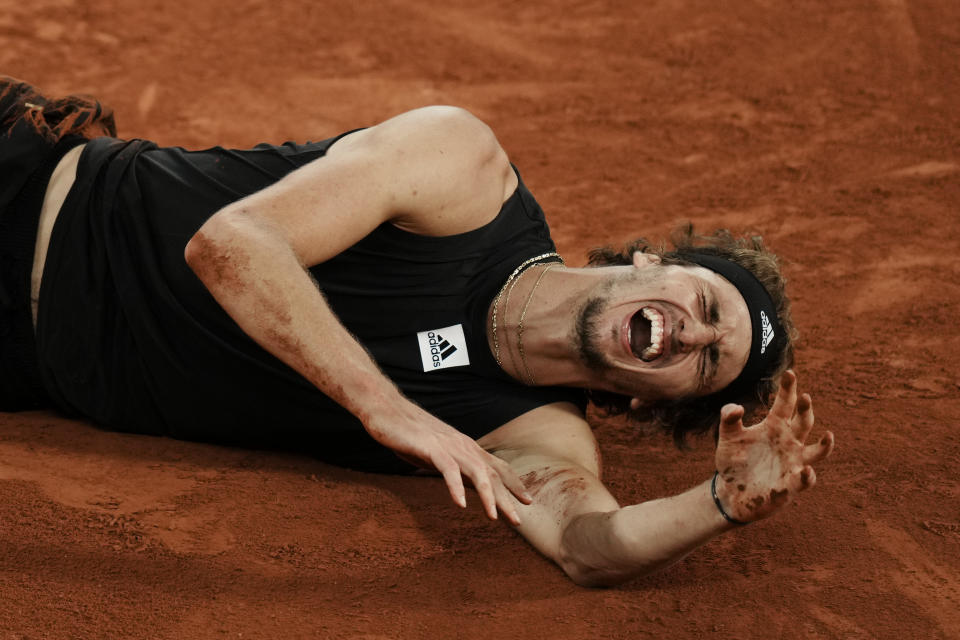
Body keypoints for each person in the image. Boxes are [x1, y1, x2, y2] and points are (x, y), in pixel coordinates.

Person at [1, 78, 834, 586]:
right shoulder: (463, 173)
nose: (694, 336)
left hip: (22, 363)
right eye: (708, 304)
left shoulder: (529, 433)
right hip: (26, 192)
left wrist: (719, 504)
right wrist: (385, 406)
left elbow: (587, 544)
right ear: (653, 262)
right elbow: (229, 244)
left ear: (661, 401)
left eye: (708, 365)